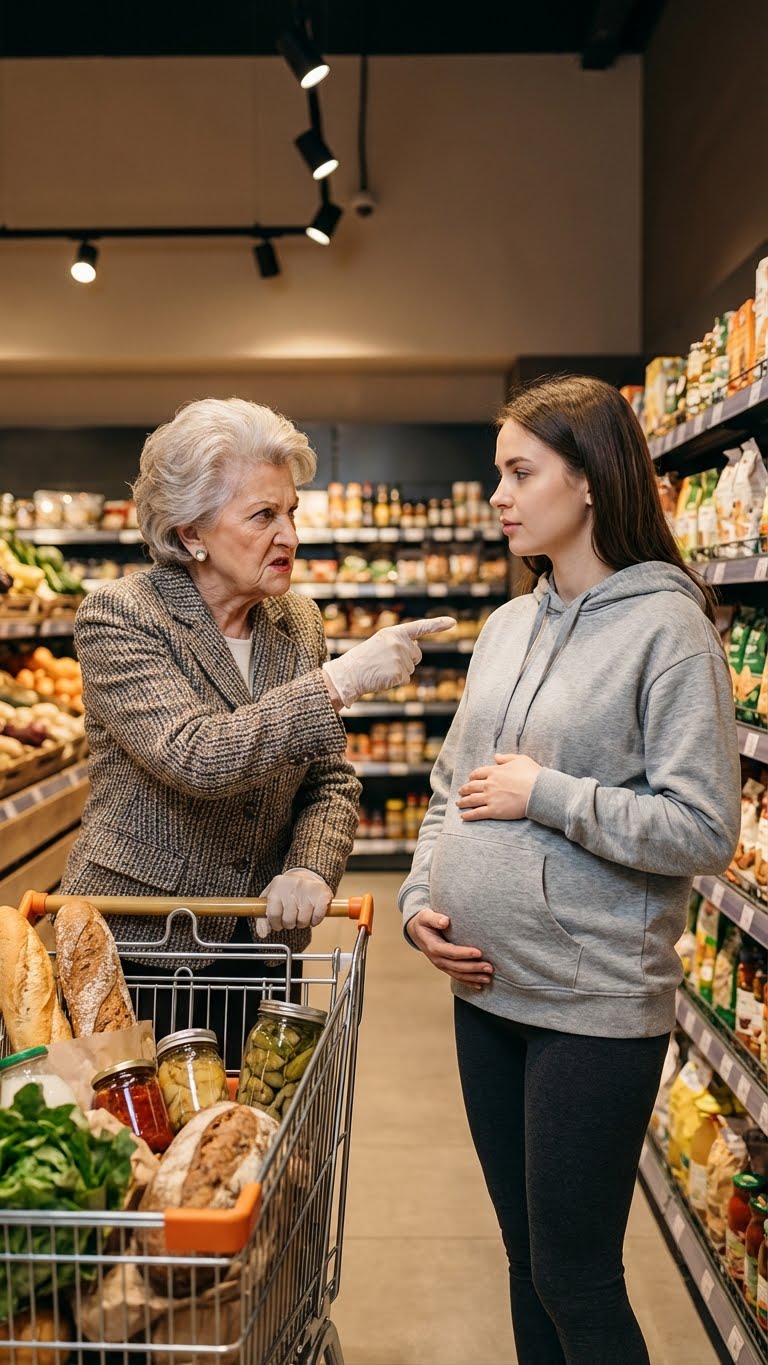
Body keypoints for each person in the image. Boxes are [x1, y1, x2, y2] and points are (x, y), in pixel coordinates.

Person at [398, 375, 741, 1365]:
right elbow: (448, 783)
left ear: (588, 478)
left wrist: (549, 794)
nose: (498, 494)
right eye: (497, 472)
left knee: (576, 1276)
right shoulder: (509, 625)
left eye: (520, 472)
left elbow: (704, 828)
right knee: (526, 1262)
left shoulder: (668, 629)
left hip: (590, 1002)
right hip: (483, 992)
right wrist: (420, 900)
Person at [60, 397, 453, 1049]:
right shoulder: (122, 616)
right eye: (263, 515)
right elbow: (195, 756)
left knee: (254, 1113)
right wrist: (339, 681)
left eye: (291, 512)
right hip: (140, 948)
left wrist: (309, 869)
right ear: (192, 533)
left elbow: (329, 782)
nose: (290, 536)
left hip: (261, 948)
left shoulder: (297, 620)